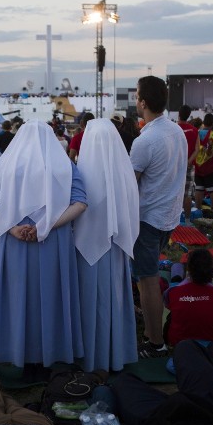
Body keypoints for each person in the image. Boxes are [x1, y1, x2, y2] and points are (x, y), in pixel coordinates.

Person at [0, 120, 87, 369]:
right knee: (51, 297)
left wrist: (11, 227)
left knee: (16, 298)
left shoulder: (2, 165)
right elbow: (80, 202)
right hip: (53, 242)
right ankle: (52, 353)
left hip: (13, 242)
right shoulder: (64, 165)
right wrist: (47, 226)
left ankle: (15, 351)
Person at [72, 118, 139, 371]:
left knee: (91, 302)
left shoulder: (81, 173)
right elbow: (131, 209)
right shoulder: (124, 172)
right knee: (113, 300)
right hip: (115, 250)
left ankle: (90, 357)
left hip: (88, 250)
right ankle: (115, 353)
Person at [130, 76, 187, 358]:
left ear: (143, 102)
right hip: (169, 216)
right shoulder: (176, 132)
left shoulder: (146, 140)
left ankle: (155, 342)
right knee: (147, 278)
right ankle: (152, 329)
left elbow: (131, 184)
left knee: (148, 281)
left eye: (137, 95)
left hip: (148, 219)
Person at [163, 249, 213, 346]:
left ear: (189, 270)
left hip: (179, 344)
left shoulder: (172, 292)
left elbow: (168, 305)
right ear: (211, 269)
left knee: (169, 312)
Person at [193, 113, 213, 213]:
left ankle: (198, 213)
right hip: (210, 168)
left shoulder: (196, 134)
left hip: (197, 168)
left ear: (204, 122)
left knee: (199, 190)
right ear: (212, 123)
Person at [177, 105, 199, 222]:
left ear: (178, 114)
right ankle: (187, 219)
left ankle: (175, 219)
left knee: (174, 192)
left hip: (175, 166)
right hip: (189, 166)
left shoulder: (174, 129)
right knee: (188, 194)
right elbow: (197, 149)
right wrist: (189, 161)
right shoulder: (194, 130)